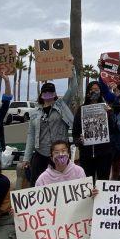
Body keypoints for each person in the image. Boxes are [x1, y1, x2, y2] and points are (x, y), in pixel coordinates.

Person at [32, 140, 98, 239]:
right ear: (51, 156)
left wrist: (91, 193)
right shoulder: (43, 178)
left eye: (63, 151)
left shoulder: (78, 171)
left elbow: (85, 194)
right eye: (56, 152)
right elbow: (35, 201)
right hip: (53, 215)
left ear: (69, 153)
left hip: (72, 213)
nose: (60, 155)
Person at [21, 56, 77, 185]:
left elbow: (73, 88)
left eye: (51, 92)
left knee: (62, 183)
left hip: (60, 153)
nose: (48, 94)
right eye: (45, 92)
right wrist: (26, 158)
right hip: (41, 153)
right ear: (41, 95)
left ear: (55, 94)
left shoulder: (62, 105)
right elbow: (31, 135)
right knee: (36, 183)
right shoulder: (35, 113)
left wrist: (71, 67)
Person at [73, 80, 116, 182]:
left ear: (100, 92)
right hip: (86, 154)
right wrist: (79, 140)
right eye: (92, 89)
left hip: (104, 154)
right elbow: (75, 132)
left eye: (97, 89)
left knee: (103, 182)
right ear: (88, 92)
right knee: (88, 182)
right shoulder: (81, 109)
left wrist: (109, 114)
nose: (94, 92)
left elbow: (113, 129)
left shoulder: (107, 108)